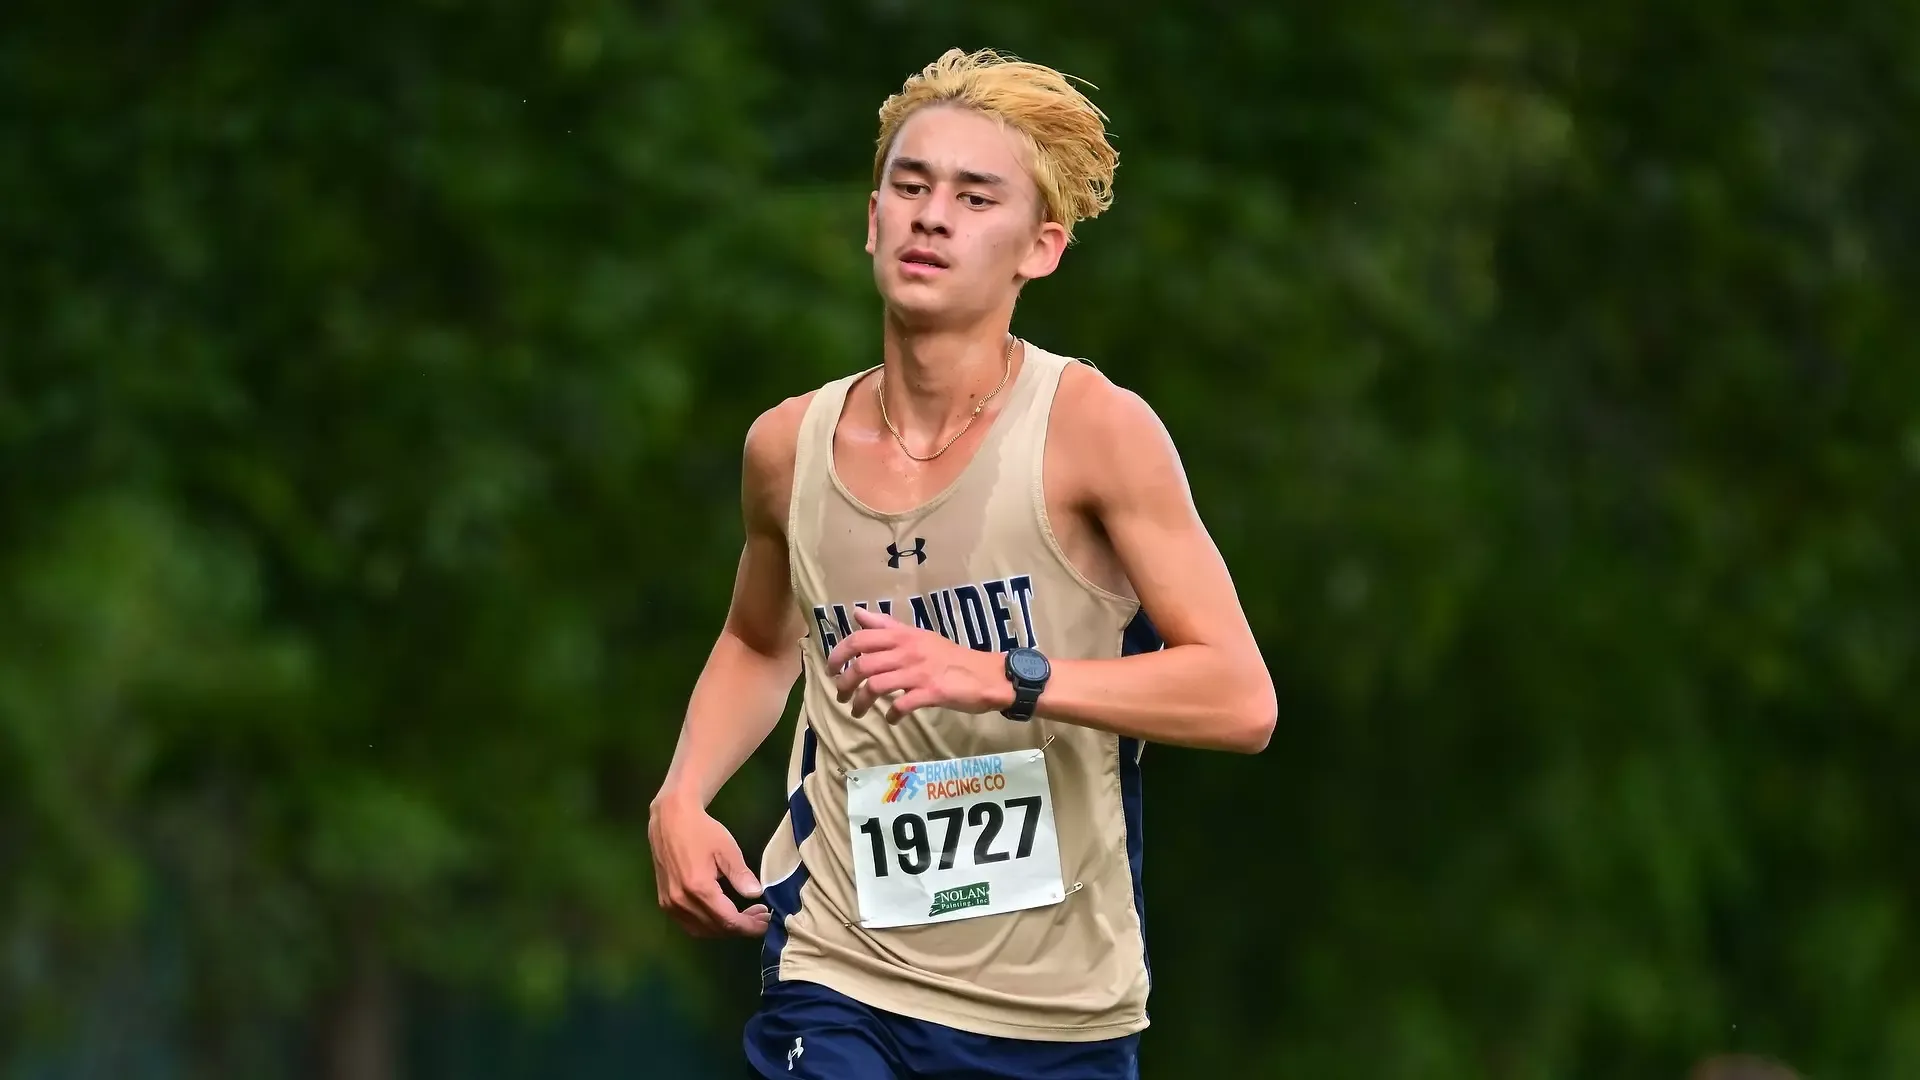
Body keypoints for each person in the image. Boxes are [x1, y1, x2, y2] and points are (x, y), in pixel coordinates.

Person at [646, 47, 1277, 1080]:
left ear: (1042, 248)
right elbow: (759, 643)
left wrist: (1004, 675)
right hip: (838, 966)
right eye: (910, 186)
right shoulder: (786, 449)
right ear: (871, 219)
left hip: (1055, 1014)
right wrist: (680, 798)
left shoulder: (1093, 432)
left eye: (974, 197)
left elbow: (1239, 696)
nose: (932, 215)